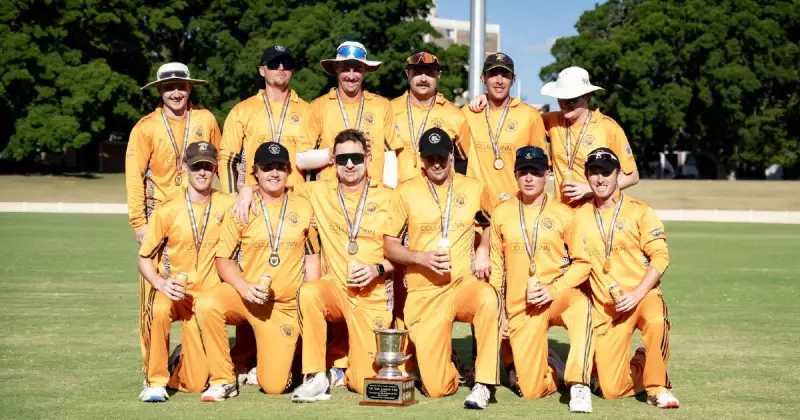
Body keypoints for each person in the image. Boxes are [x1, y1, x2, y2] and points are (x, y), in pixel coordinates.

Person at [384, 127, 501, 410]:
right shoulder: (405, 191)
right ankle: (452, 365)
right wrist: (420, 257)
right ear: (421, 159)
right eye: (430, 158)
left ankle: (484, 382)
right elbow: (389, 247)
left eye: (442, 157)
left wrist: (483, 249)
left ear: (451, 155)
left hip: (462, 284)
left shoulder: (474, 187)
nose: (436, 163)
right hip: (425, 292)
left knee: (488, 298)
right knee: (437, 389)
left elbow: (489, 221)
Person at [195, 142, 318, 401]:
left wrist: (307, 302)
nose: (274, 173)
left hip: (283, 306)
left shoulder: (304, 206)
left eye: (280, 167)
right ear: (256, 173)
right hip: (246, 298)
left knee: (274, 386)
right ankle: (223, 379)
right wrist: (243, 287)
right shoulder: (241, 207)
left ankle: (273, 363)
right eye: (267, 168)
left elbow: (312, 258)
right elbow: (224, 260)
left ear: (288, 171)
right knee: (207, 303)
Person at [126, 62, 221, 390]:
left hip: (199, 218)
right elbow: (134, 175)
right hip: (159, 218)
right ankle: (152, 375)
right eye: (169, 87)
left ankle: (190, 362)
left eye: (181, 86)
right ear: (160, 91)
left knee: (201, 297)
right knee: (155, 303)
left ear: (189, 87)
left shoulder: (206, 119)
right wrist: (139, 222)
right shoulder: (145, 127)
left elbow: (215, 165)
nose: (176, 92)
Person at [286, 129, 396, 402]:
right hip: (336, 289)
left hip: (373, 295)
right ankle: (315, 375)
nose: (349, 164)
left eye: (356, 158)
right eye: (343, 158)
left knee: (364, 384)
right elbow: (274, 186)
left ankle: (342, 371)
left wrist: (377, 268)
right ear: (333, 160)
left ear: (368, 158)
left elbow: (404, 252)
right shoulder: (317, 192)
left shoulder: (391, 197)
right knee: (310, 292)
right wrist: (247, 191)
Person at [488, 146, 594, 412]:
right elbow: (497, 268)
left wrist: (553, 288)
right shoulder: (501, 212)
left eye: (535, 172)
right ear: (515, 175)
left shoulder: (564, 213)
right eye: (523, 172)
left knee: (580, 306)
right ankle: (551, 365)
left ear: (547, 175)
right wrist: (500, 311)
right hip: (521, 304)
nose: (528, 178)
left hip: (557, 295)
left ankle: (578, 383)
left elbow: (583, 263)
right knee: (531, 391)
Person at [463, 52, 547, 384]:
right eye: (493, 74)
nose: (499, 80)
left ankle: (513, 359)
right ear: (483, 78)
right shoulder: (468, 114)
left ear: (513, 80)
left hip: (516, 215)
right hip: (478, 216)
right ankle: (481, 360)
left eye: (505, 75)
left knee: (515, 286)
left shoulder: (529, 116)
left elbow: (540, 166)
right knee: (481, 287)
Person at [575, 147, 679, 409]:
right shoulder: (577, 216)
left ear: (618, 175)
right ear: (587, 176)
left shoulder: (640, 211)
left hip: (642, 295)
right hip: (607, 309)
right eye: (594, 173)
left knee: (656, 320)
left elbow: (660, 257)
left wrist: (637, 294)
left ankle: (658, 388)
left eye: (606, 173)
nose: (600, 179)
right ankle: (643, 361)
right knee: (611, 389)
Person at [136, 141, 234, 402]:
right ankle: (155, 381)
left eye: (207, 167)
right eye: (196, 167)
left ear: (215, 170)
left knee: (194, 384)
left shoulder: (228, 205)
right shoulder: (168, 208)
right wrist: (159, 283)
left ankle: (179, 358)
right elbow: (143, 258)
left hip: (207, 301)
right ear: (185, 168)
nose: (202, 172)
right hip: (177, 293)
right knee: (158, 309)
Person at [469, 66, 639, 207]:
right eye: (561, 99)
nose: (566, 104)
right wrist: (489, 98)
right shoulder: (550, 120)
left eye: (573, 99)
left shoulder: (609, 127)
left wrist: (590, 188)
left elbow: (632, 176)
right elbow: (517, 118)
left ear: (587, 97)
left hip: (596, 211)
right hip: (561, 212)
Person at [296, 41, 402, 186]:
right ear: (336, 68)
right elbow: (301, 160)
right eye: (346, 69)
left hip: (372, 197)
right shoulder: (318, 107)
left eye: (357, 69)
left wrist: (390, 194)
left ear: (365, 70)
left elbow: (390, 156)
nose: (351, 76)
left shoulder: (382, 106)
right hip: (330, 198)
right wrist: (333, 152)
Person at [218, 45, 317, 194]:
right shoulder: (242, 110)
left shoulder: (309, 111)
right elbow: (227, 159)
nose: (281, 68)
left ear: (293, 71)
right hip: (254, 200)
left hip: (296, 201)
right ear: (262, 70)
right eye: (274, 64)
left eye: (287, 64)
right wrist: (232, 197)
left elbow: (315, 164)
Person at [391, 51, 471, 183]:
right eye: (417, 73)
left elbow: (464, 163)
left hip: (439, 197)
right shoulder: (390, 110)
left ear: (439, 75)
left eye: (429, 73)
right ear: (407, 74)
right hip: (396, 196)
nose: (423, 79)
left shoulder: (455, 115)